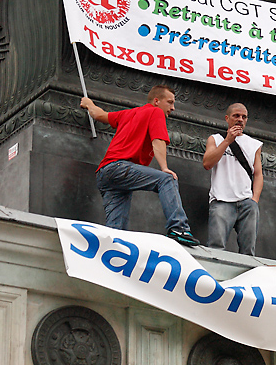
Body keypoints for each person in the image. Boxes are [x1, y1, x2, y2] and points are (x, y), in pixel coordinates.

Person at [80, 85, 199, 246]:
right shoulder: (156, 112)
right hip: (120, 168)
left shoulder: (129, 113)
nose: (173, 108)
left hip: (105, 174)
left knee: (116, 232)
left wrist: (88, 103)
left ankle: (110, 253)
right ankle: (179, 228)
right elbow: (158, 140)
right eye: (169, 102)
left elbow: (99, 114)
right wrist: (164, 168)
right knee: (166, 179)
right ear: (156, 101)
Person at [202, 103, 263, 255]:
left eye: (244, 117)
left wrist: (254, 200)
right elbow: (207, 163)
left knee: (248, 251)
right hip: (221, 200)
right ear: (227, 118)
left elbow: (258, 174)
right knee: (216, 247)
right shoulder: (215, 139)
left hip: (246, 202)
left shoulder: (254, 144)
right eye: (236, 116)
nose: (240, 120)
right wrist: (227, 141)